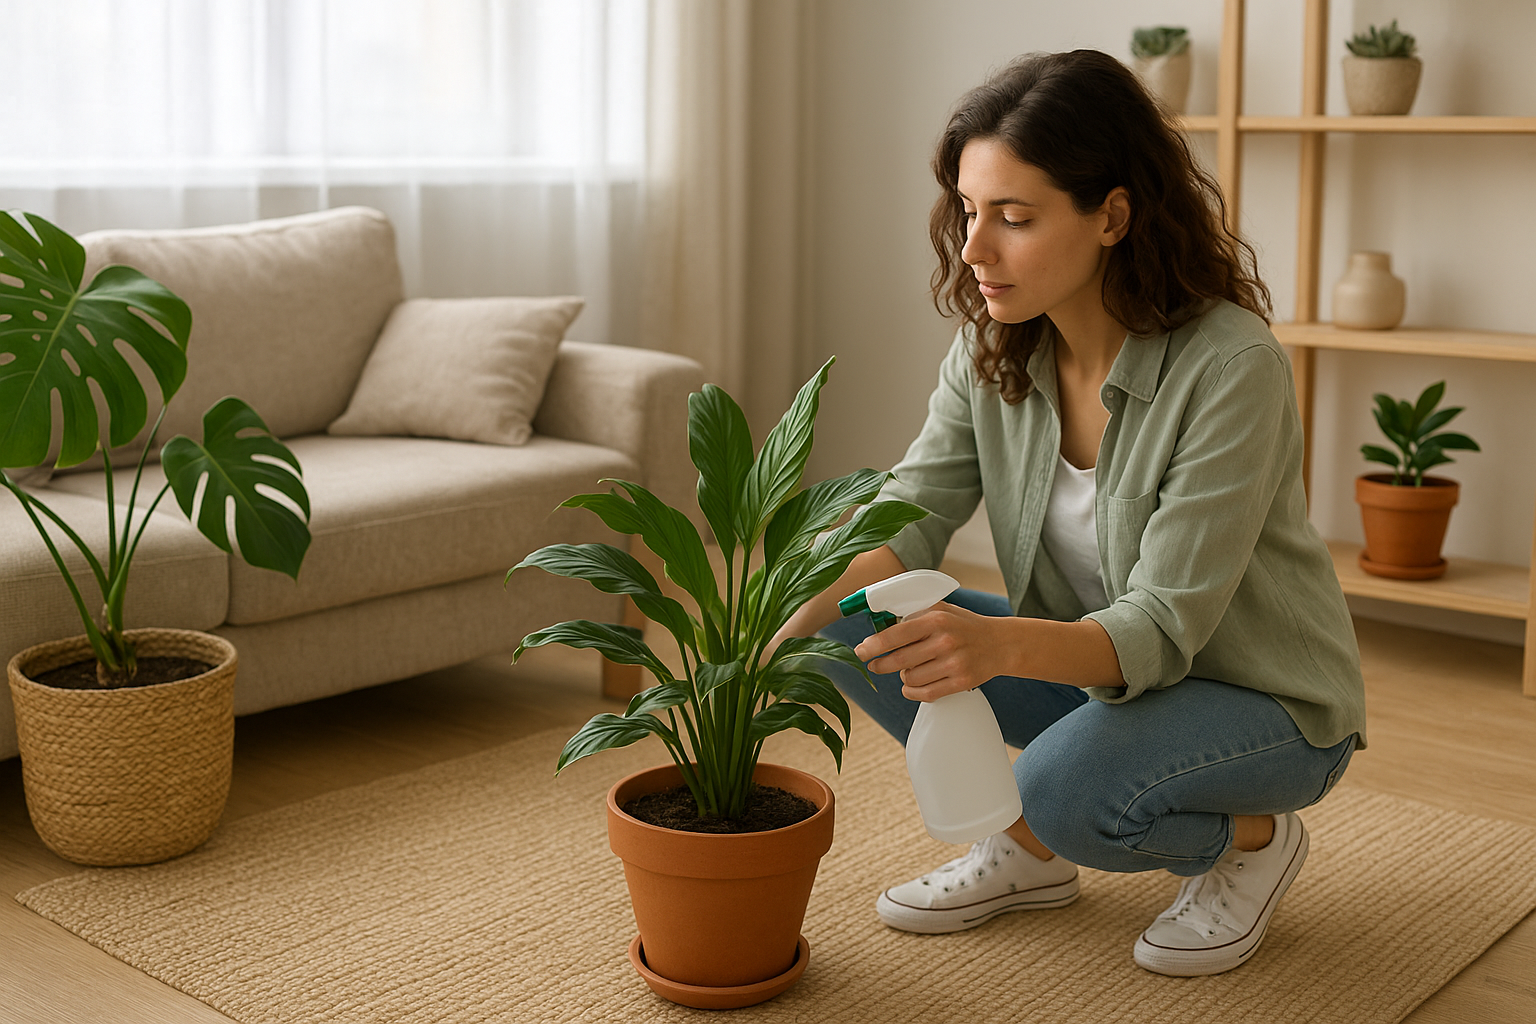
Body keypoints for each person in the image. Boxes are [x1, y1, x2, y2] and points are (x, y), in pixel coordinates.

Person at [771, 49, 1366, 977]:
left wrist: (992, 647)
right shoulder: (992, 348)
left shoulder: (1229, 365)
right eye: (969, 211)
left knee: (1061, 790)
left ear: (1112, 217)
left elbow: (1162, 624)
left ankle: (1254, 838)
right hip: (1101, 676)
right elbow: (904, 517)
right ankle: (1031, 856)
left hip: (1263, 701)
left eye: (1014, 218)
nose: (975, 248)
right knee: (852, 626)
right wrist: (773, 623)